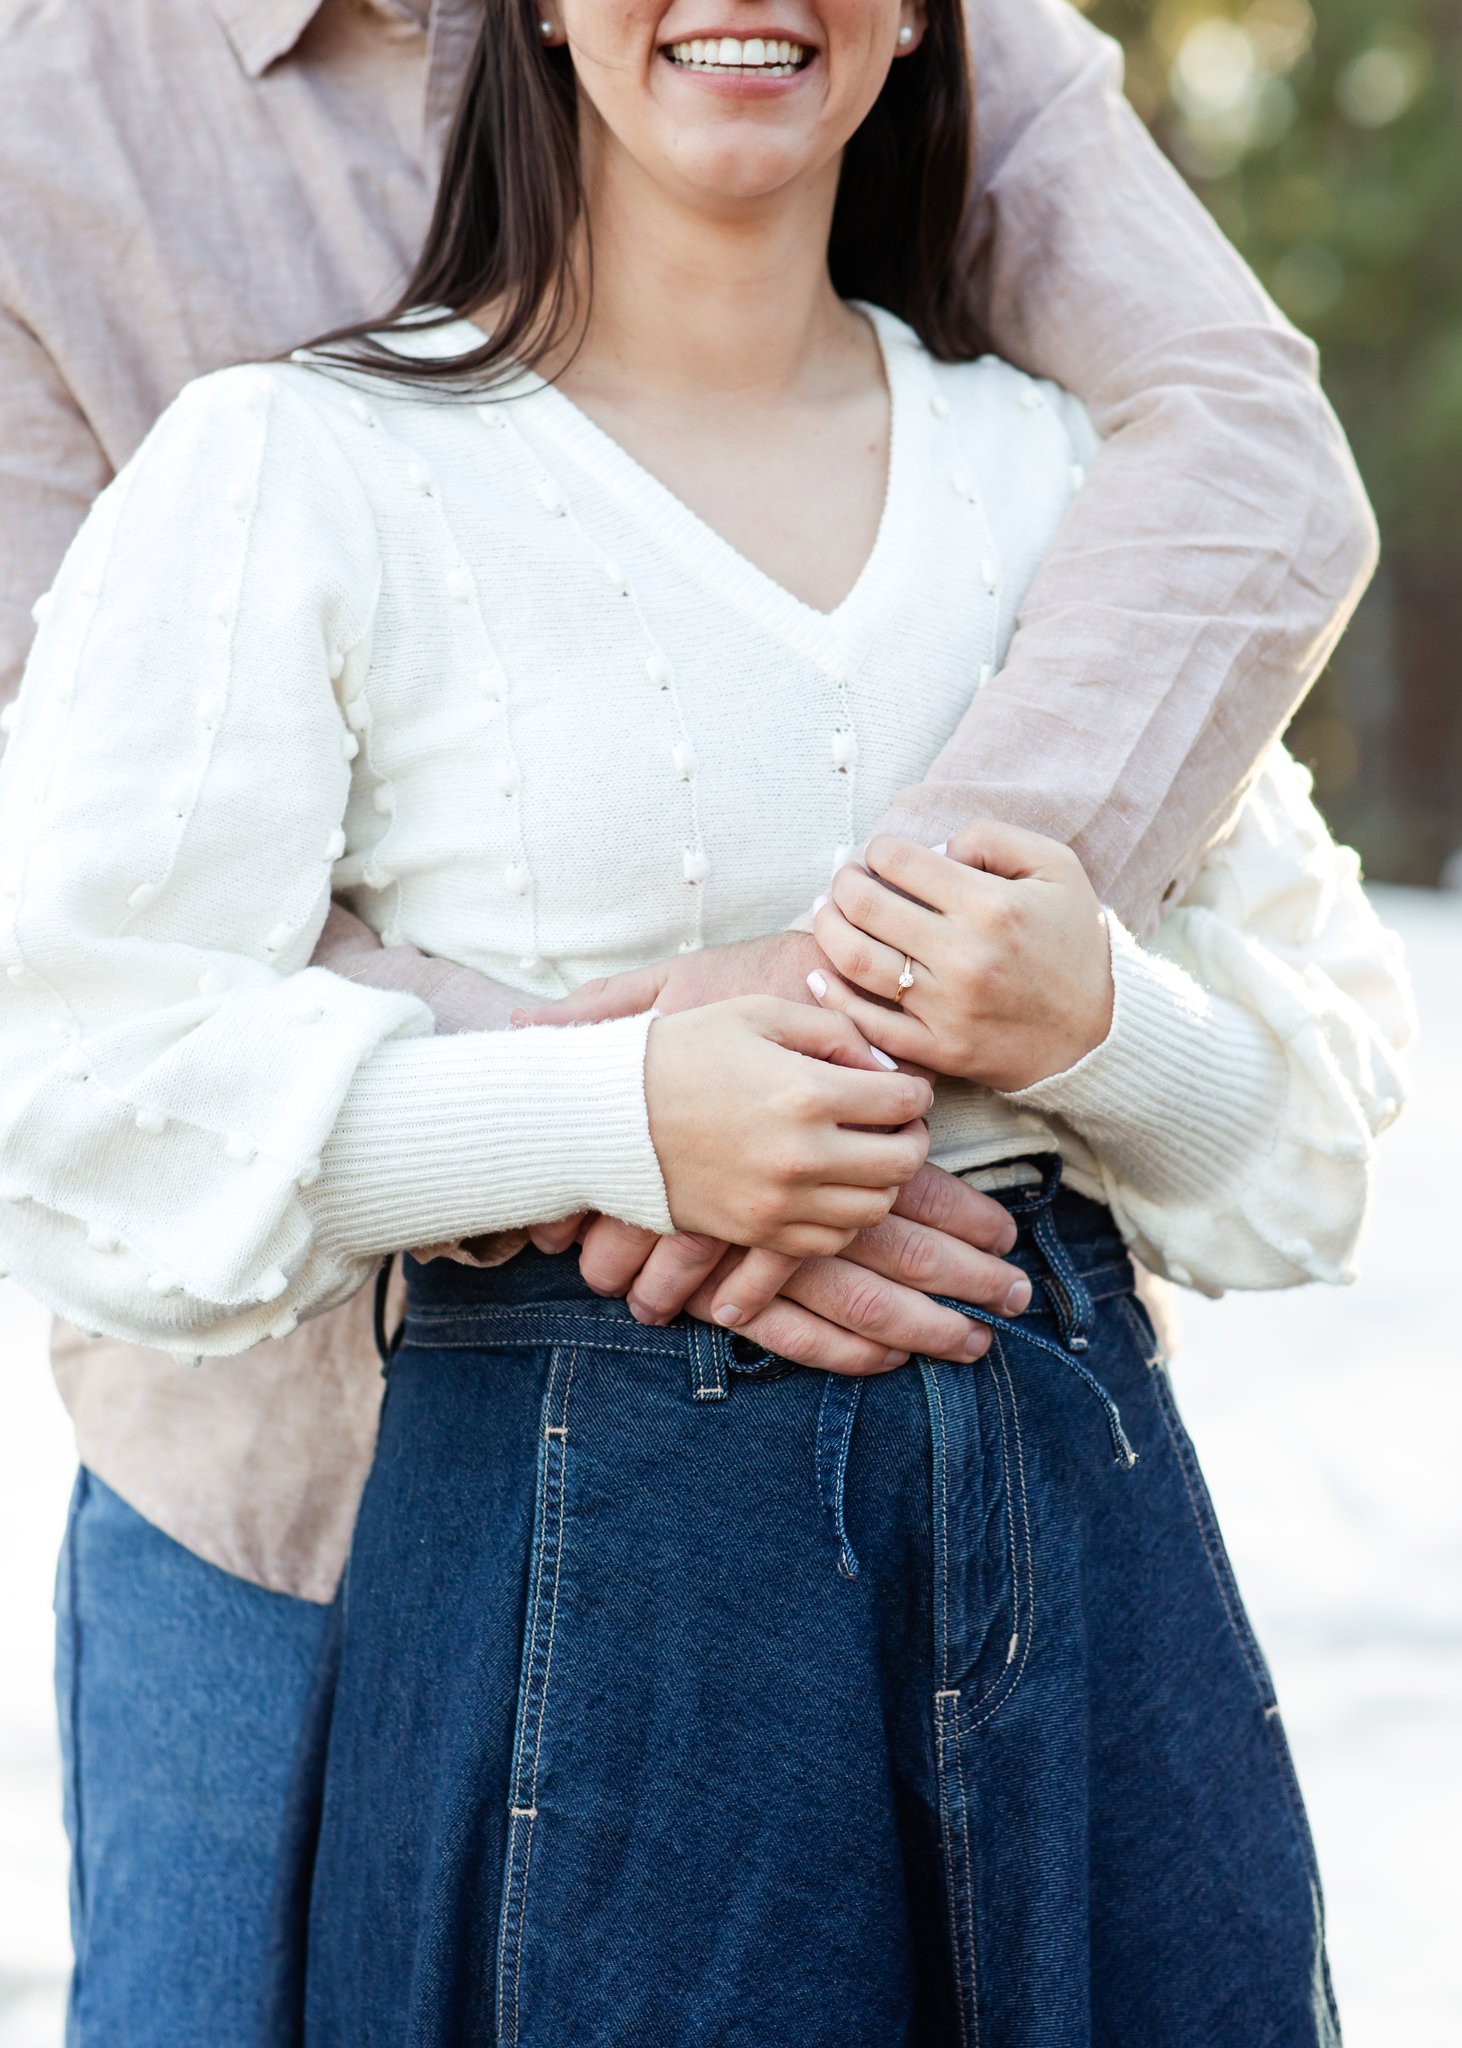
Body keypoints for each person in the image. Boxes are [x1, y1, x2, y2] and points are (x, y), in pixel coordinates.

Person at [0, 1, 1412, 2042]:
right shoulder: (274, 436)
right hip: (429, 1514)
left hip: (1074, 1550)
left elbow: (1309, 1141)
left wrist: (1065, 1018)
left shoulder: (1048, 475)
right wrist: (613, 1113)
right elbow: (77, 1037)